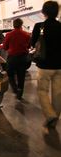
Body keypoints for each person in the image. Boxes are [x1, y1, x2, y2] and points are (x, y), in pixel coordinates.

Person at [31, 1, 61, 132]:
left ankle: (50, 115)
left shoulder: (39, 26)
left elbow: (32, 43)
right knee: (58, 94)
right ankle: (54, 120)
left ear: (44, 12)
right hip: (59, 66)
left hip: (44, 66)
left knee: (42, 91)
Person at [3, 18, 30, 100]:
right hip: (23, 58)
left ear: (13, 25)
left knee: (10, 74)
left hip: (12, 58)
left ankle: (15, 89)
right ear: (21, 24)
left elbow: (5, 47)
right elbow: (28, 46)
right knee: (21, 75)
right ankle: (20, 91)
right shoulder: (26, 34)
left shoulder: (9, 34)